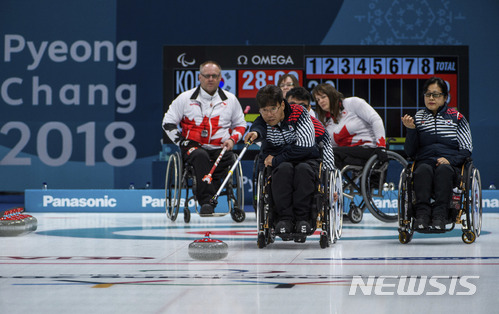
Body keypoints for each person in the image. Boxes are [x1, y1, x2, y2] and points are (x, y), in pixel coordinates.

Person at [245, 85, 332, 237]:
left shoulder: (299, 113)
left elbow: (305, 147)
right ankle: (283, 219)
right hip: (280, 164)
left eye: (273, 109)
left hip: (306, 158)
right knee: (283, 170)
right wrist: (255, 133)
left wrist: (278, 159)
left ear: (283, 105)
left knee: (303, 170)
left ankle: (303, 219)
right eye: (264, 110)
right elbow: (259, 127)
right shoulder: (263, 120)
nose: (269, 114)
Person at [162, 61, 247, 215]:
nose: (210, 79)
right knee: (200, 155)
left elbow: (241, 124)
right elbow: (168, 123)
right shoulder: (185, 98)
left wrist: (233, 139)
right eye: (207, 76)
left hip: (220, 147)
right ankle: (207, 202)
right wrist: (181, 141)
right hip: (193, 147)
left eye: (214, 76)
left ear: (220, 78)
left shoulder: (230, 99)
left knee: (230, 159)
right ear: (199, 77)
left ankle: (209, 195)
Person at [402, 77, 472, 230]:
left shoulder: (457, 117)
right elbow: (410, 152)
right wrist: (411, 130)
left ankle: (441, 215)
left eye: (436, 95)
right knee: (423, 170)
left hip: (449, 164)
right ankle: (422, 215)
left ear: (445, 97)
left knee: (443, 170)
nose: (431, 98)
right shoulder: (419, 117)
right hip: (425, 161)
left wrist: (451, 160)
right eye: (428, 95)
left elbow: (467, 148)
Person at [312, 83, 388, 170]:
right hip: (348, 153)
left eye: (323, 97)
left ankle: (334, 182)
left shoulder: (352, 103)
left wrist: (381, 146)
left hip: (370, 148)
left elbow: (376, 120)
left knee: (333, 154)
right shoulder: (327, 121)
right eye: (318, 100)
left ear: (332, 95)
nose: (320, 101)